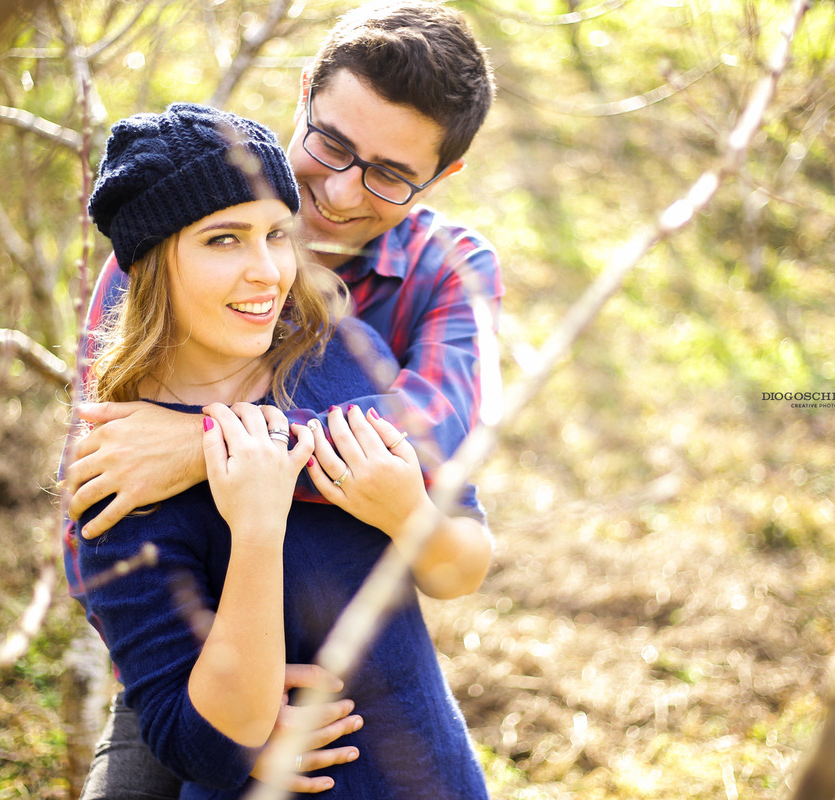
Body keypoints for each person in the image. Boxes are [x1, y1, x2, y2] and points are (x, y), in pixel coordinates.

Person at [63, 2, 501, 796]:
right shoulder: (177, 207)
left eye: (390, 173)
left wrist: (207, 446)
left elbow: (424, 461)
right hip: (190, 654)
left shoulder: (417, 293)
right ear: (303, 93)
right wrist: (231, 730)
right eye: (330, 143)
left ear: (441, 177)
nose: (335, 193)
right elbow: (102, 493)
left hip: (368, 653)